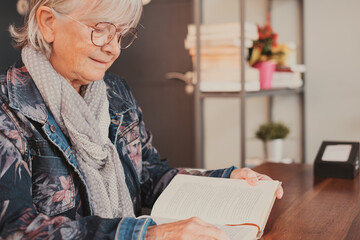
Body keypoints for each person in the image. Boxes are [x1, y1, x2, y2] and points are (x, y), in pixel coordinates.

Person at [0, 0, 283, 239]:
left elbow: (148, 175)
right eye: (100, 29)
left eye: (121, 34)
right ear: (49, 23)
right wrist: (147, 233)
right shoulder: (7, 108)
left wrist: (226, 178)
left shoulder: (116, 93)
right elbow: (15, 229)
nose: (113, 48)